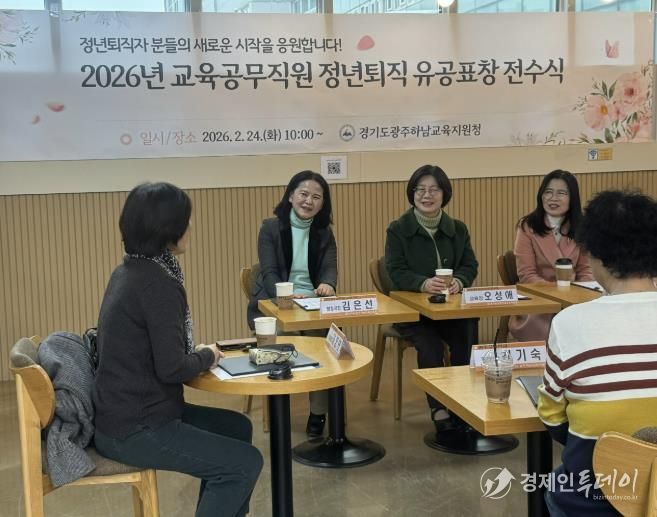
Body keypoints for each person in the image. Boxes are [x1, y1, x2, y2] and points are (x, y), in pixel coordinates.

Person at [94, 182, 263, 517]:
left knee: (238, 428)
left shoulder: (129, 270)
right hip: (138, 428)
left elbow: (160, 352)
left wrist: (194, 355)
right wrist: (208, 355)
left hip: (122, 416)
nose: (190, 226)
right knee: (244, 464)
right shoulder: (158, 284)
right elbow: (172, 368)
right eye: (186, 219)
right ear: (167, 228)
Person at [538, 190, 657, 516]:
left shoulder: (569, 323)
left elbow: (552, 417)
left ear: (596, 257)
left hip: (594, 500)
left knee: (555, 484)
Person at [385, 164, 478, 431]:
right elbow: (395, 270)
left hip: (450, 310)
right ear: (412, 193)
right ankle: (439, 408)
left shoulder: (458, 228)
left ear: (444, 194)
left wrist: (460, 281)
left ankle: (462, 402)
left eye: (434, 190)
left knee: (468, 331)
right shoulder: (398, 229)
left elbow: (470, 265)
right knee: (430, 345)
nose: (427, 195)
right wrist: (423, 283)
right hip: (412, 313)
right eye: (421, 189)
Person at [247, 170, 337, 437]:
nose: (308, 201)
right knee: (281, 340)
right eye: (303, 194)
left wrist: (328, 284)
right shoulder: (270, 228)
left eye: (316, 197)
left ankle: (318, 413)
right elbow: (269, 271)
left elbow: (330, 267)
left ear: (323, 203)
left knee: (326, 342)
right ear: (290, 196)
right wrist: (284, 298)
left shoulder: (324, 232)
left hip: (312, 305)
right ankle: (279, 409)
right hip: (277, 303)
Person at [510, 170, 593, 341]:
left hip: (574, 298)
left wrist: (574, 296)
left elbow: (586, 271)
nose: (553, 198)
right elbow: (527, 275)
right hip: (539, 300)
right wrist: (557, 295)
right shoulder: (527, 226)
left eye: (561, 193)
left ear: (572, 198)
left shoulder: (582, 226)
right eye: (548, 192)